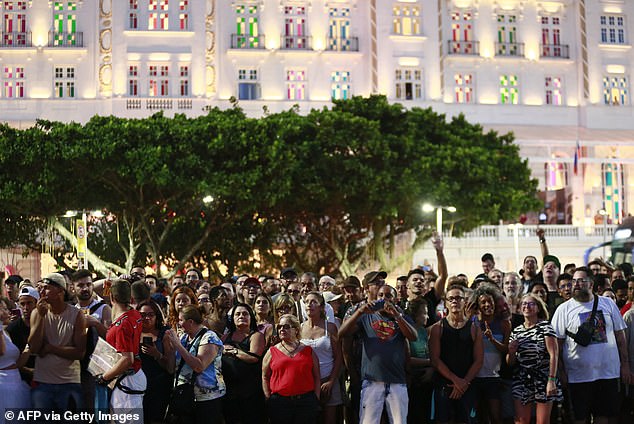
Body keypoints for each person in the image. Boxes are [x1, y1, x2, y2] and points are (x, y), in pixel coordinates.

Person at [551, 266, 632, 424]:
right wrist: (560, 371)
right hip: (578, 376)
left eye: (581, 281)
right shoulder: (563, 310)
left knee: (603, 417)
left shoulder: (608, 303)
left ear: (591, 283)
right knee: (580, 418)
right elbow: (556, 345)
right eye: (574, 281)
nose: (576, 284)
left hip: (607, 373)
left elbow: (620, 337)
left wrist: (625, 365)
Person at [339, 284, 418, 423]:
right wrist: (359, 312)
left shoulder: (401, 316)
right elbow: (342, 333)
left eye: (388, 296)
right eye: (380, 295)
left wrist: (397, 316)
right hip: (371, 382)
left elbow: (413, 337)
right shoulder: (367, 317)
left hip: (397, 381)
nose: (384, 299)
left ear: (395, 299)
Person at [28, 273, 86, 411]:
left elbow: (79, 352)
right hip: (43, 382)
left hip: (69, 382)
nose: (41, 291)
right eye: (40, 287)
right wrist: (41, 317)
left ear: (60, 290)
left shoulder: (77, 315)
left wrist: (50, 348)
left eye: (46, 288)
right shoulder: (37, 313)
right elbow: (34, 348)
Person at [429, 284, 484, 424]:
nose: (455, 301)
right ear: (446, 302)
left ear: (465, 301)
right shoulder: (437, 328)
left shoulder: (474, 329)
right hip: (444, 385)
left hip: (467, 384)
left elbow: (478, 360)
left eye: (459, 298)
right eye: (451, 298)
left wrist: (464, 382)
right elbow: (435, 360)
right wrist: (456, 380)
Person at [164, 305, 226, 424]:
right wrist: (170, 348)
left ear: (190, 322)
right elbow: (171, 369)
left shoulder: (209, 337)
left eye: (181, 320)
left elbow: (199, 366)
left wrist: (178, 346)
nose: (179, 323)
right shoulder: (183, 338)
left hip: (206, 399)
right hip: (184, 396)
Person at [507, 294, 562, 424]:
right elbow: (510, 362)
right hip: (522, 379)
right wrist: (511, 351)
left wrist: (551, 380)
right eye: (524, 304)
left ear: (538, 308)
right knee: (521, 420)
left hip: (543, 377)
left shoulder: (545, 327)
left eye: (531, 304)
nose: (527, 306)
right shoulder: (516, 331)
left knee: (542, 421)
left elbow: (554, 354)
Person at [97, 279, 146, 422]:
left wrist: (104, 377)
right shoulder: (134, 314)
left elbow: (127, 359)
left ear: (112, 298)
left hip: (127, 381)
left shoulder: (122, 324)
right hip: (132, 377)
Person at [262, 313, 320, 424]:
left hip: (305, 402)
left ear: (296, 330)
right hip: (280, 403)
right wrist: (268, 398)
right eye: (279, 327)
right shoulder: (272, 351)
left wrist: (315, 399)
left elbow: (317, 376)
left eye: (286, 326)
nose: (282, 329)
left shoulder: (308, 350)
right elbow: (265, 376)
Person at [470, 284, 510, 424]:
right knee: (476, 417)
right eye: (483, 302)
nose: (487, 305)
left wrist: (492, 339)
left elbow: (506, 350)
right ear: (478, 305)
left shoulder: (504, 324)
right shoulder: (472, 323)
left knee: (496, 417)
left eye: (490, 302)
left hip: (493, 378)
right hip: (474, 378)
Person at [300, 292, 343, 423]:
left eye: (314, 302)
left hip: (328, 379)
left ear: (322, 307)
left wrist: (331, 381)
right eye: (307, 301)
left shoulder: (330, 327)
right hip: (307, 382)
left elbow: (338, 357)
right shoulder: (299, 328)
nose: (310, 305)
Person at [222, 303, 266, 423]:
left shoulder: (256, 336)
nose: (242, 316)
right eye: (238, 314)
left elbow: (253, 357)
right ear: (233, 318)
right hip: (229, 392)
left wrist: (232, 351)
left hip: (250, 392)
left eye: (245, 314)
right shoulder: (225, 337)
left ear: (251, 317)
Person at [138, 300, 174, 424]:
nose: (146, 318)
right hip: (137, 386)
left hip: (158, 387)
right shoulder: (133, 332)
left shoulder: (165, 334)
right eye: (142, 315)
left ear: (157, 316)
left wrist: (157, 354)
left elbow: (170, 367)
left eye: (151, 315)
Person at [405, 299, 433, 424]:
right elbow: (407, 360)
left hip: (425, 379)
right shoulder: (407, 332)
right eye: (424, 313)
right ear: (415, 315)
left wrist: (430, 368)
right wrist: (430, 363)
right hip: (412, 381)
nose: (427, 316)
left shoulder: (423, 331)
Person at [0, 315, 31, 423]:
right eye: (2, 308)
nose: (6, 312)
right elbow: (1, 351)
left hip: (16, 381)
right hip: (3, 384)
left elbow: (16, 363)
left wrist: (29, 347)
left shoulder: (7, 332)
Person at [6, 286, 38, 384]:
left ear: (36, 303)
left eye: (29, 303)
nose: (26, 308)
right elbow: (10, 360)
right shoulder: (13, 329)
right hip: (20, 379)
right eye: (22, 304)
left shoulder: (45, 325)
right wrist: (29, 371)